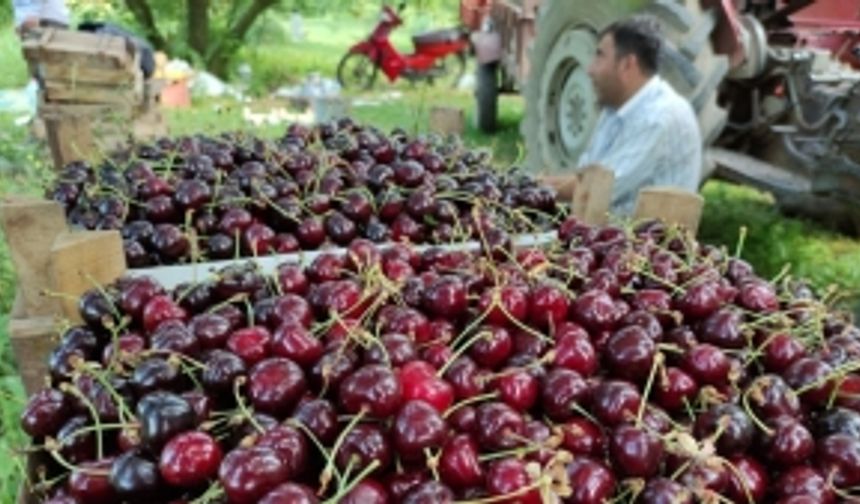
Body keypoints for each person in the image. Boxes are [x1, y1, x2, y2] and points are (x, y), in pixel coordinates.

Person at [578, 16, 702, 215]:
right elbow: (585, 176)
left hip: (645, 242)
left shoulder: (659, 117)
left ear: (627, 65)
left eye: (600, 56)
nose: (590, 69)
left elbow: (598, 188)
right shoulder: (615, 108)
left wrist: (537, 187)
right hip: (607, 235)